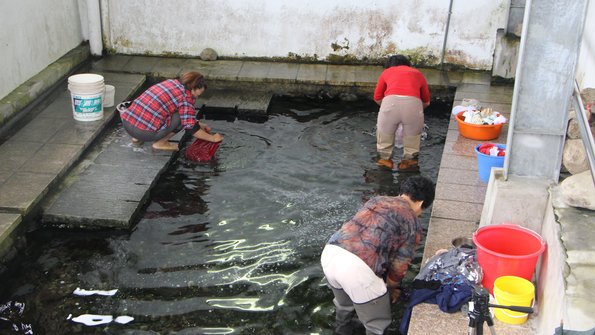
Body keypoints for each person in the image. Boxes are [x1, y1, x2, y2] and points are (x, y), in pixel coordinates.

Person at [320, 175, 435, 335]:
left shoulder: (377, 200)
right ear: (421, 203)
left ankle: (340, 330)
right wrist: (389, 289)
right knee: (377, 326)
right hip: (357, 269)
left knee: (344, 309)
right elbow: (399, 266)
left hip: (331, 253)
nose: (420, 214)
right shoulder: (412, 221)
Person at [118, 71, 223, 151]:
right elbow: (190, 127)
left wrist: (199, 124)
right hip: (144, 133)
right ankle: (160, 143)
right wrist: (212, 138)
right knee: (181, 119)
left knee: (153, 110)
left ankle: (136, 139)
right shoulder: (186, 97)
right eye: (197, 94)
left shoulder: (171, 82)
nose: (196, 97)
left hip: (127, 123)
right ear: (193, 89)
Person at [373, 55, 430, 171]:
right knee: (412, 149)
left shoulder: (386, 72)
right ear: (407, 64)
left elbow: (377, 97)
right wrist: (416, 111)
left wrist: (386, 109)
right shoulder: (417, 73)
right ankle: (408, 169)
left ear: (389, 66)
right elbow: (426, 101)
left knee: (384, 146)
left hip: (390, 104)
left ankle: (384, 170)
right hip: (414, 105)